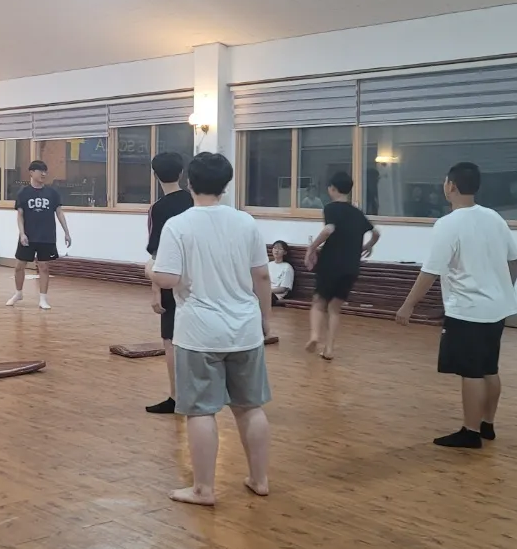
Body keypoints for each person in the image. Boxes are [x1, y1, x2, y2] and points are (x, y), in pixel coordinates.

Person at [151, 152, 274, 506]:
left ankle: (203, 489)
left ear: (190, 183)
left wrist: (148, 271)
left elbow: (167, 278)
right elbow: (262, 276)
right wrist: (265, 319)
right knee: (251, 407)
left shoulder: (179, 225)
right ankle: (260, 479)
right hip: (245, 329)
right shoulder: (246, 222)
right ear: (226, 184)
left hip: (199, 332)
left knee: (201, 411)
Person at [396, 162, 517, 450]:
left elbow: (430, 271)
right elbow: (514, 258)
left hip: (468, 310)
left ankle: (470, 431)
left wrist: (408, 305)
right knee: (489, 368)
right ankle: (487, 424)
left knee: (471, 372)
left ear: (450, 186)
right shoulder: (494, 218)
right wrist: (505, 288)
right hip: (496, 308)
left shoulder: (448, 224)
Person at [304, 170, 379, 360]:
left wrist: (312, 248)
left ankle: (314, 336)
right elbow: (376, 232)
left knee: (319, 303)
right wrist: (368, 246)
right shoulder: (357, 212)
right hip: (351, 267)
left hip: (330, 264)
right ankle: (329, 349)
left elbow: (329, 229)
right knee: (335, 309)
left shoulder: (331, 208)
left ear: (332, 189)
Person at [143, 150, 195, 415]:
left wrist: (156, 291)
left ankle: (177, 397)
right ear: (182, 173)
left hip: (171, 281)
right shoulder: (195, 202)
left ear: (155, 175)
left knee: (170, 339)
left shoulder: (157, 209)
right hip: (200, 278)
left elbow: (157, 254)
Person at [8, 160, 72, 310]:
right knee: (19, 266)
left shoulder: (52, 193)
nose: (43, 174)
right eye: (40, 171)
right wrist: (22, 234)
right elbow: (20, 216)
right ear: (31, 172)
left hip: (46, 236)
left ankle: (43, 298)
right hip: (28, 236)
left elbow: (59, 213)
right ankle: (18, 293)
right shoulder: (23, 193)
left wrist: (67, 232)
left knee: (44, 267)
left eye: (45, 171)